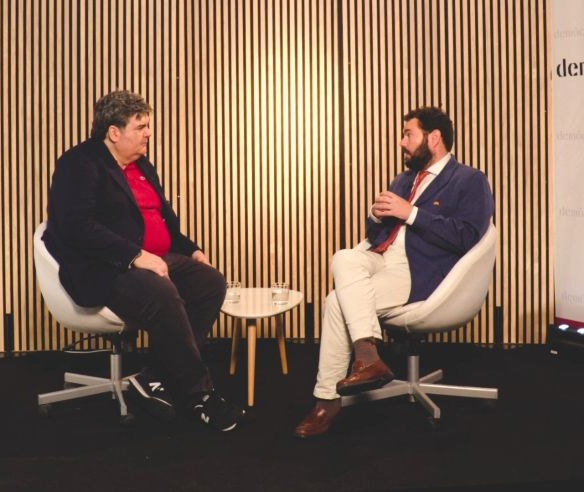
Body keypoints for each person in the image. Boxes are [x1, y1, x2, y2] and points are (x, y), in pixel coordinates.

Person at [43, 90, 245, 432]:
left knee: (210, 282)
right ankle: (199, 394)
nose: (148, 133)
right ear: (114, 132)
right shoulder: (80, 163)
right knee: (162, 292)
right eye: (141, 127)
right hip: (105, 267)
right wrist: (135, 256)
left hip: (152, 259)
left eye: (148, 125)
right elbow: (77, 227)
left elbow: (163, 221)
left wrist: (191, 250)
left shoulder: (141, 165)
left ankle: (154, 377)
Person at [294, 106, 494, 438]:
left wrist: (411, 213)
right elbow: (378, 235)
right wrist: (376, 216)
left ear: (433, 138)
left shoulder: (469, 180)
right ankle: (368, 355)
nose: (402, 142)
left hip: (419, 271)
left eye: (408, 134)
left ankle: (327, 401)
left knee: (334, 302)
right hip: (382, 258)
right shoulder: (404, 179)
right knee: (343, 257)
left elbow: (468, 236)